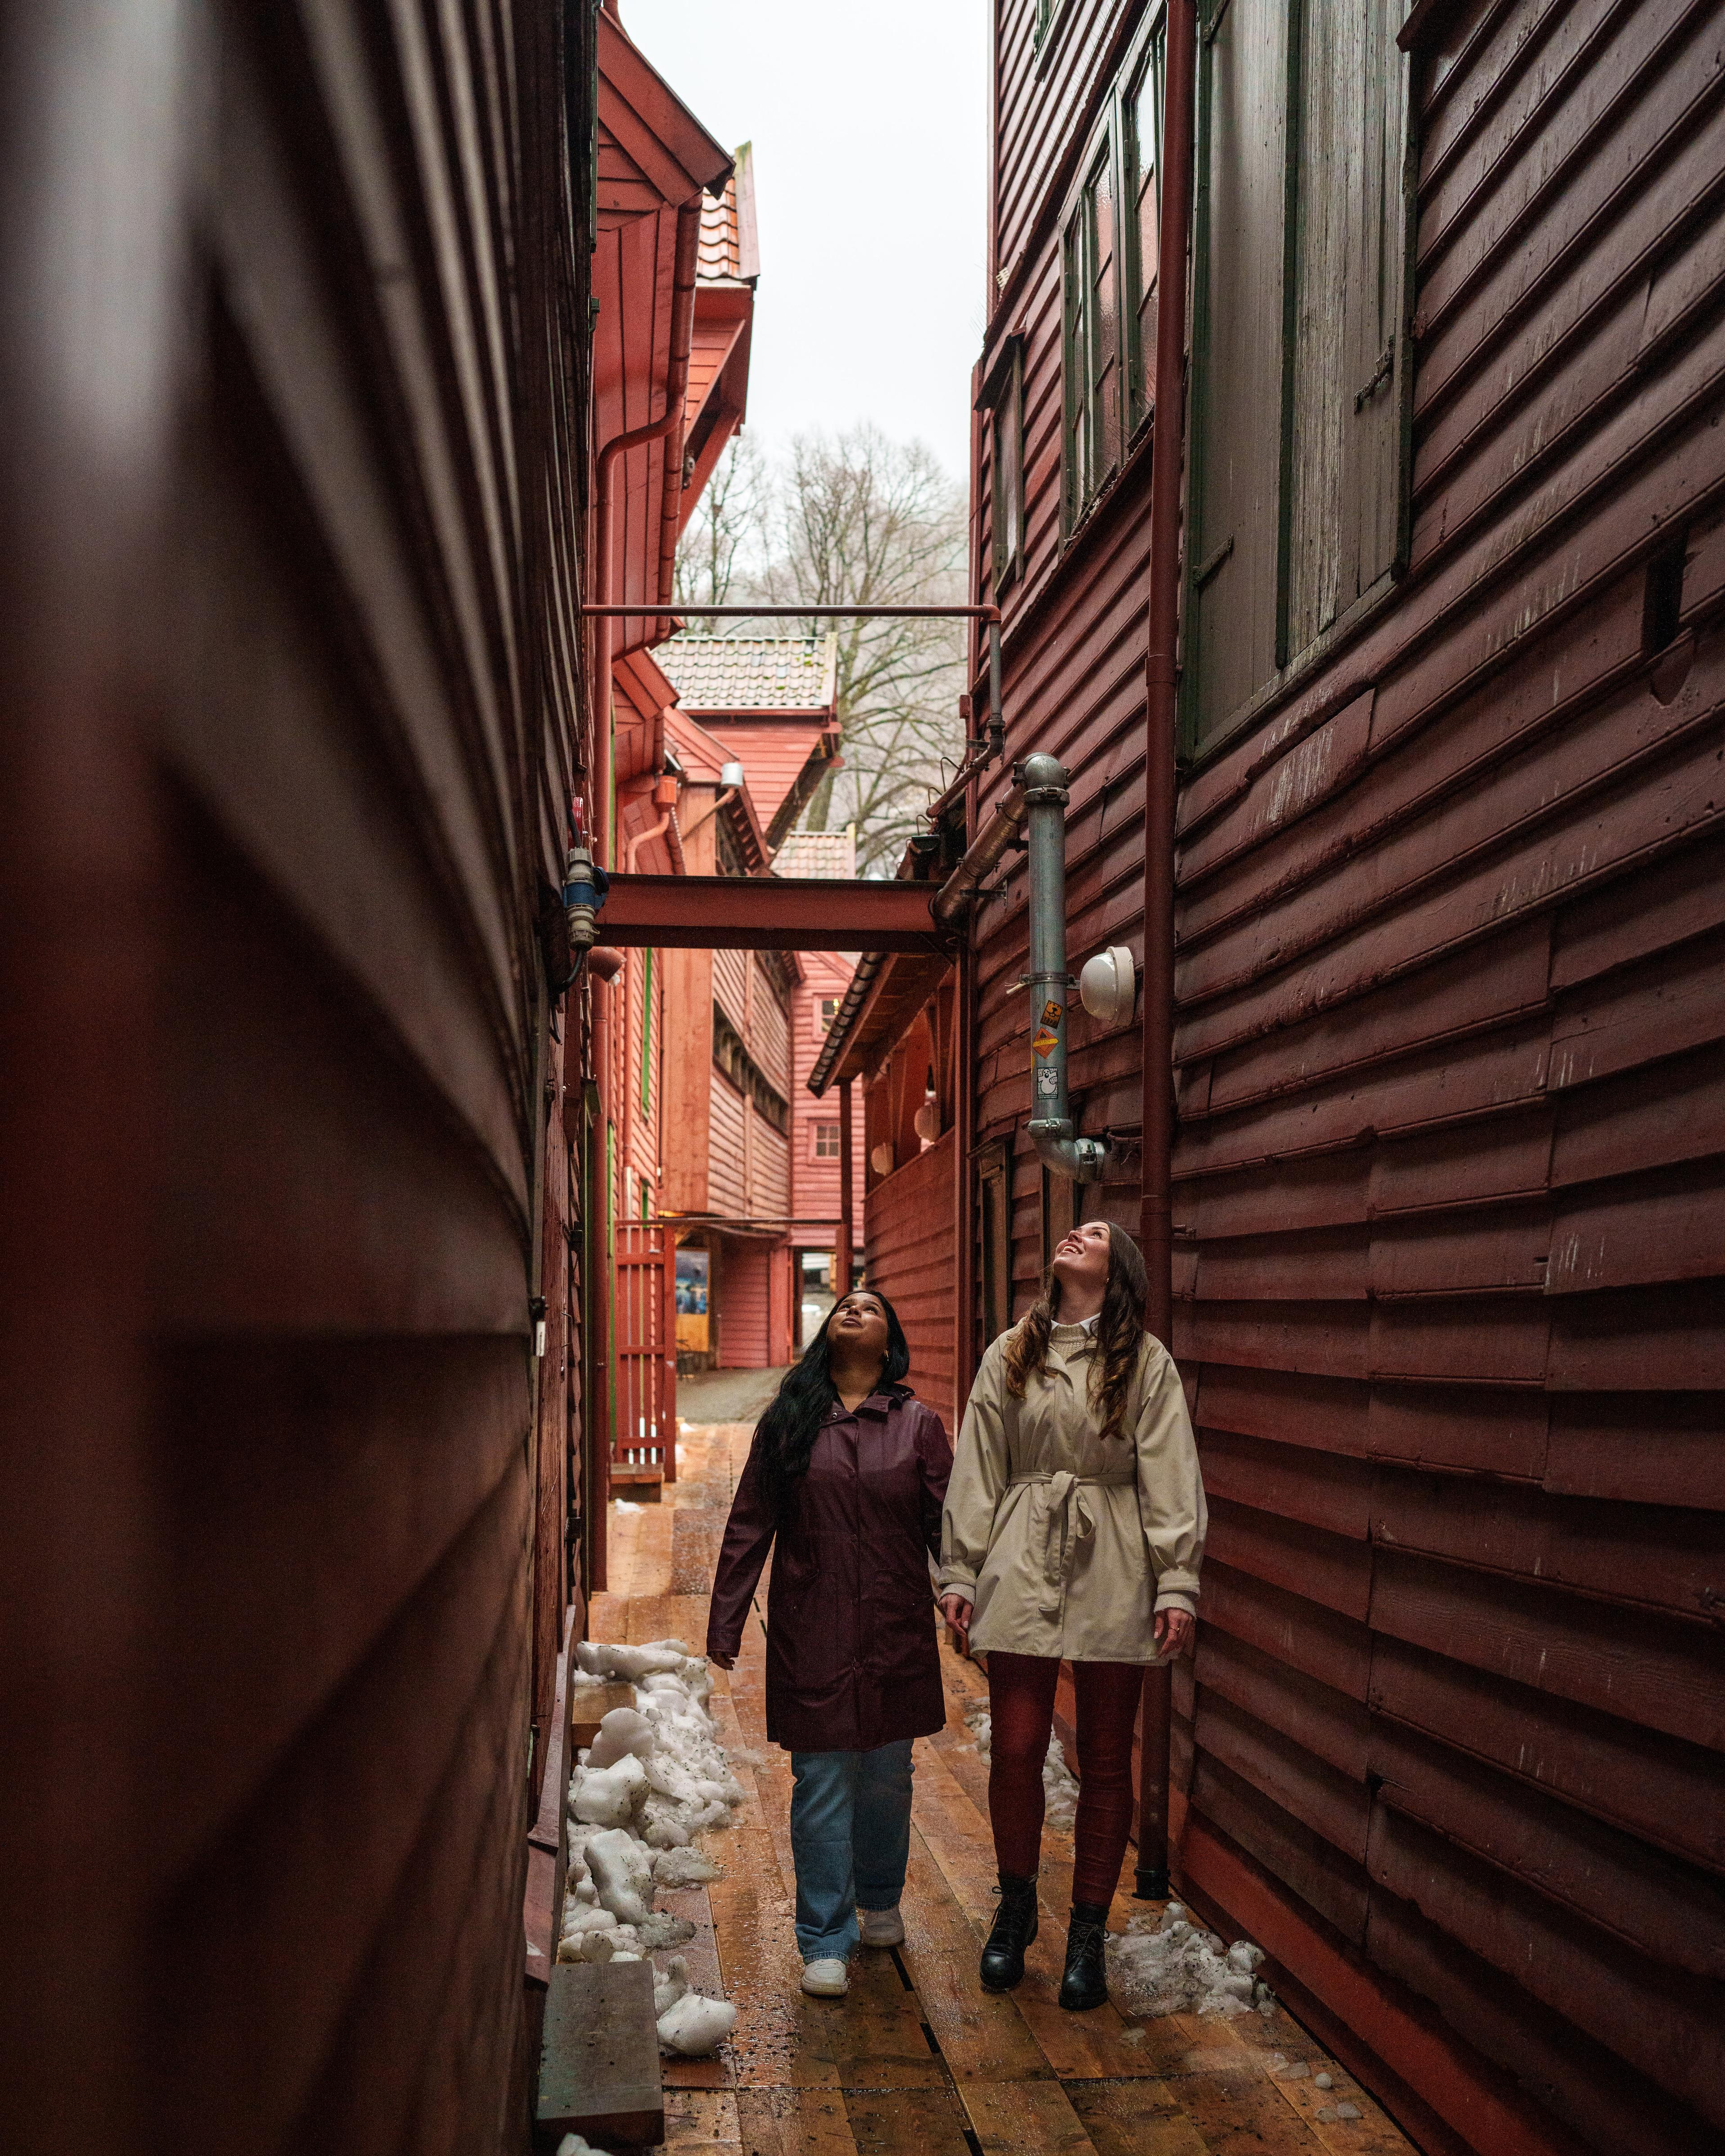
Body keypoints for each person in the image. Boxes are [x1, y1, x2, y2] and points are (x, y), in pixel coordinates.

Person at [937, 1219, 1205, 2012]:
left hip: (1115, 1557)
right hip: (1021, 1549)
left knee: (1103, 1756)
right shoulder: (1011, 1352)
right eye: (1073, 1230)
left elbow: (1170, 1469)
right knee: (1016, 1744)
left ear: (1118, 1271)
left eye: (1096, 1234)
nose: (1075, 1234)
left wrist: (1176, 1580)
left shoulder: (1145, 1363)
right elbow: (979, 1464)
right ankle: (1015, 1905)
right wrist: (960, 1566)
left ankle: (1088, 1929)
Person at [706, 1286, 953, 2000]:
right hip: (811, 1626)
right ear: (828, 1331)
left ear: (890, 1341)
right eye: (845, 1303)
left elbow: (948, 1529)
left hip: (893, 1626)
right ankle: (823, 1935)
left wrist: (975, 1604)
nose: (856, 1309)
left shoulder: (918, 1426)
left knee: (886, 1776)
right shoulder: (789, 1423)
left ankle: (880, 1900)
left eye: (872, 1307)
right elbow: (750, 1523)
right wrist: (726, 1621)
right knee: (819, 1781)